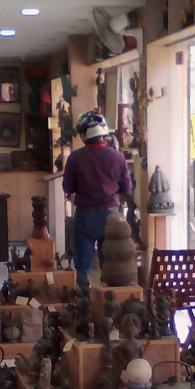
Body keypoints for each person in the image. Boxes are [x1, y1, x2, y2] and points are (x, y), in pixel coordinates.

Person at [63, 111, 132, 288]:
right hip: (111, 216)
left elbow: (68, 188)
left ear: (84, 133)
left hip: (85, 215)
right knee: (109, 263)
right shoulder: (118, 157)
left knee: (82, 264)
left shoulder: (75, 158)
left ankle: (83, 297)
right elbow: (127, 188)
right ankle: (107, 298)